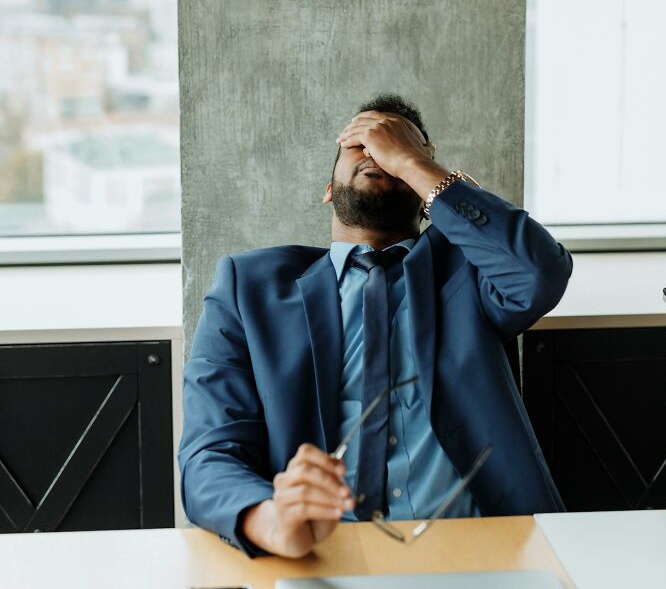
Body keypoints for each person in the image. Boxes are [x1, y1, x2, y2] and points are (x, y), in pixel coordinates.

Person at [178, 95, 572, 558]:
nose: (375, 153)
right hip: (323, 555)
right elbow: (208, 454)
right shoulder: (249, 288)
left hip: (486, 548)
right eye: (359, 143)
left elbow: (539, 274)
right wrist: (271, 519)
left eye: (390, 145)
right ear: (329, 189)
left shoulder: (469, 272)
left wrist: (412, 161)